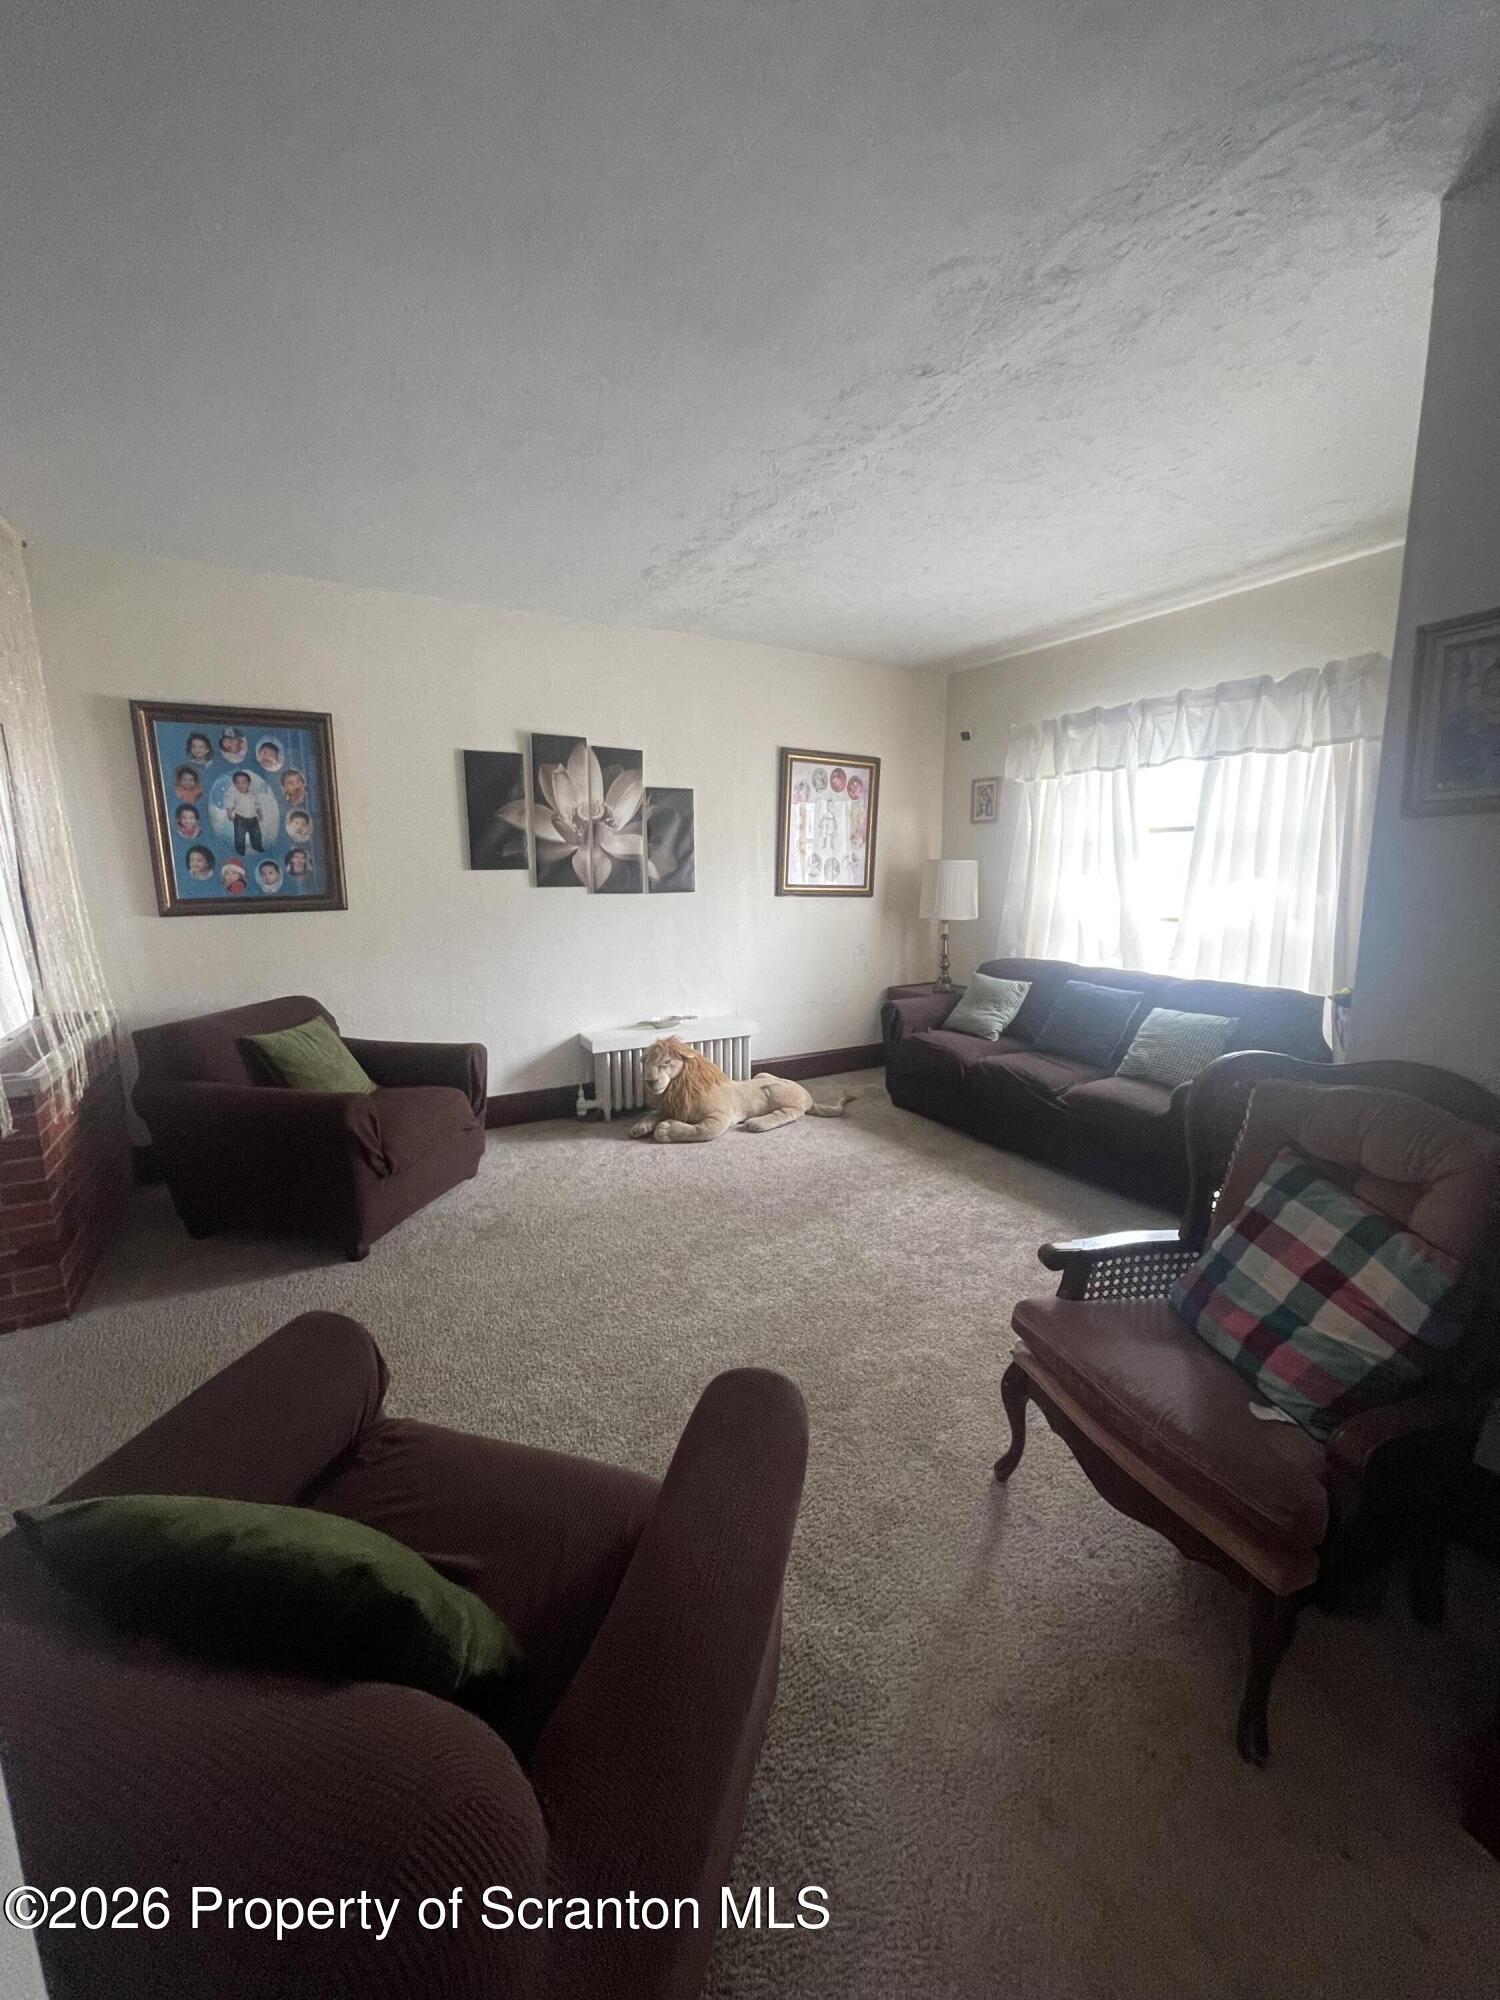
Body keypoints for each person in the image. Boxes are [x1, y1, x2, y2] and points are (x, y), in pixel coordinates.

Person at [225, 769, 266, 854]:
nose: (240, 785)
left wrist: (260, 814)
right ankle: (240, 850)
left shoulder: (253, 794)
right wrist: (230, 814)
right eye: (237, 783)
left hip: (253, 819)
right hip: (240, 819)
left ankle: (257, 846)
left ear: (249, 784)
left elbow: (257, 805)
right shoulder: (234, 795)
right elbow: (229, 806)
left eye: (243, 782)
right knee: (240, 837)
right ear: (235, 784)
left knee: (257, 834)